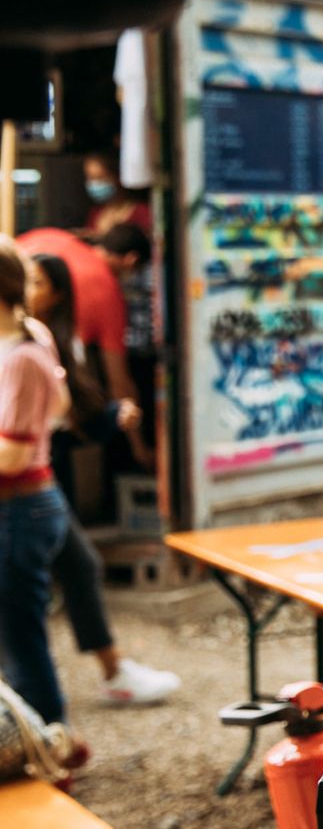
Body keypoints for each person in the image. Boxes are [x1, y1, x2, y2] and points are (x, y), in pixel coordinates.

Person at [24, 253, 179, 705]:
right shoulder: (24, 346)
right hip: (23, 487)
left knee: (75, 567)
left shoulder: (43, 341)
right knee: (26, 606)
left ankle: (110, 675)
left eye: (40, 282)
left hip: (37, 482)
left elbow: (67, 416)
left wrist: (107, 417)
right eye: (27, 281)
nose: (32, 291)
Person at [0, 236, 75, 728]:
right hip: (29, 507)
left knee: (23, 643)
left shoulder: (22, 355)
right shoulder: (29, 335)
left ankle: (51, 745)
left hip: (21, 509)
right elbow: (62, 406)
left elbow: (13, 455)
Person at [14, 223, 148, 405]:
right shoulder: (109, 295)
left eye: (37, 283)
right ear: (131, 260)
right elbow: (119, 383)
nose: (28, 291)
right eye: (31, 282)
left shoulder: (52, 236)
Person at [81, 155, 151, 238]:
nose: (94, 184)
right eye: (90, 178)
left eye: (100, 178)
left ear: (118, 177)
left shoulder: (142, 212)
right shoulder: (95, 213)